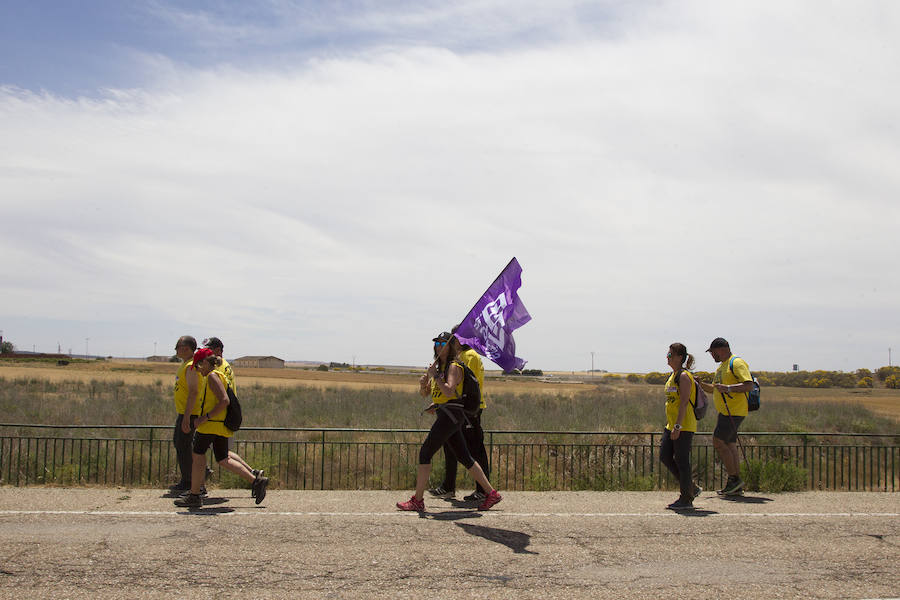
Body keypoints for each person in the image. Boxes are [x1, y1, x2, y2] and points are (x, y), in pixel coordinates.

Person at [397, 332, 502, 512]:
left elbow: (448, 391)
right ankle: (491, 493)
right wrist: (424, 384)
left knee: (425, 453)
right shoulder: (441, 368)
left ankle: (418, 500)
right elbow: (428, 394)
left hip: (451, 416)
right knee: (464, 457)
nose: (439, 346)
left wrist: (435, 375)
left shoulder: (453, 367)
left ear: (451, 346)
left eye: (443, 343)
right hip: (446, 414)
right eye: (437, 343)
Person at [175, 348, 269, 508]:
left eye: (198, 366)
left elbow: (224, 400)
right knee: (223, 458)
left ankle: (195, 495)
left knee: (197, 456)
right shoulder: (214, 375)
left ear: (205, 363)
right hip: (218, 426)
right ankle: (256, 481)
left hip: (210, 426)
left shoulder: (212, 376)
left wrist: (204, 418)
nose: (197, 370)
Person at [429, 326, 490, 503]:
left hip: (469, 411)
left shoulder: (468, 357)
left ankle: (483, 490)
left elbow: (464, 386)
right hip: (456, 409)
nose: (450, 342)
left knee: (474, 450)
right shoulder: (460, 358)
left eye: (452, 338)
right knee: (451, 447)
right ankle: (448, 486)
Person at [697, 337, 755, 496]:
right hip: (727, 412)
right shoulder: (722, 367)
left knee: (718, 442)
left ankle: (734, 479)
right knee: (729, 444)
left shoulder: (736, 363)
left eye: (712, 352)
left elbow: (749, 384)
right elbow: (715, 389)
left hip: (734, 411)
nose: (712, 356)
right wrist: (701, 384)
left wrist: (728, 388)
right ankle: (735, 482)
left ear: (721, 349)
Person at [203, 336, 262, 480]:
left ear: (218, 350)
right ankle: (254, 474)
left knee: (214, 454)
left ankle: (254, 479)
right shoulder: (226, 365)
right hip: (225, 414)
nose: (206, 352)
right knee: (224, 453)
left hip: (218, 415)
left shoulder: (216, 366)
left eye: (208, 349)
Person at [660, 343, 701, 510]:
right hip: (671, 424)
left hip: (683, 425)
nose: (667, 357)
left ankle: (686, 498)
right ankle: (691, 487)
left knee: (682, 461)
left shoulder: (684, 376)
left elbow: (684, 402)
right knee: (665, 456)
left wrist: (678, 426)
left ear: (679, 357)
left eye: (670, 355)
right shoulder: (673, 375)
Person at [170, 336, 202, 492]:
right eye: (178, 347)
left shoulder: (191, 366)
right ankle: (190, 478)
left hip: (189, 413)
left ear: (190, 349)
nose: (179, 350)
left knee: (183, 445)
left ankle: (190, 481)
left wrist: (187, 417)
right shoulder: (185, 365)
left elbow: (194, 392)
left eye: (183, 347)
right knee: (180, 444)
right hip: (183, 412)